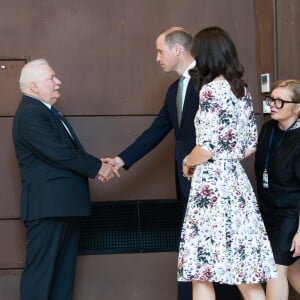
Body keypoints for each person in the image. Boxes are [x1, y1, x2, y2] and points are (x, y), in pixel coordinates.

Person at [103, 27, 241, 300]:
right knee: (196, 250)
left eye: (159, 51)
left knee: (215, 250)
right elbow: (157, 130)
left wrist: (192, 161)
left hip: (212, 182)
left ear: (177, 50)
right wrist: (120, 160)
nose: (157, 58)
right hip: (186, 182)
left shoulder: (211, 83)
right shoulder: (173, 90)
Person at [177, 26, 277, 300]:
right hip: (236, 184)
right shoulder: (242, 91)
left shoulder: (210, 91)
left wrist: (188, 162)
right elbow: (250, 145)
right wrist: (227, 156)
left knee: (202, 271)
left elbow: (206, 148)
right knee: (245, 274)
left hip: (211, 186)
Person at [12, 58, 117, 300]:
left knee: (61, 281)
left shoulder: (45, 111)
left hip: (62, 207)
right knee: (40, 279)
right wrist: (97, 167)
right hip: (48, 209)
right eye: (51, 78)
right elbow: (60, 153)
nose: (58, 82)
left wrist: (96, 163)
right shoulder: (30, 113)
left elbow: (63, 154)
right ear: (35, 87)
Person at [254, 79, 300, 300]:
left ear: (298, 107)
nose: (273, 104)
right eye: (272, 99)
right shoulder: (268, 129)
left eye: (281, 101)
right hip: (266, 210)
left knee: (275, 269)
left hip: (291, 214)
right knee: (291, 271)